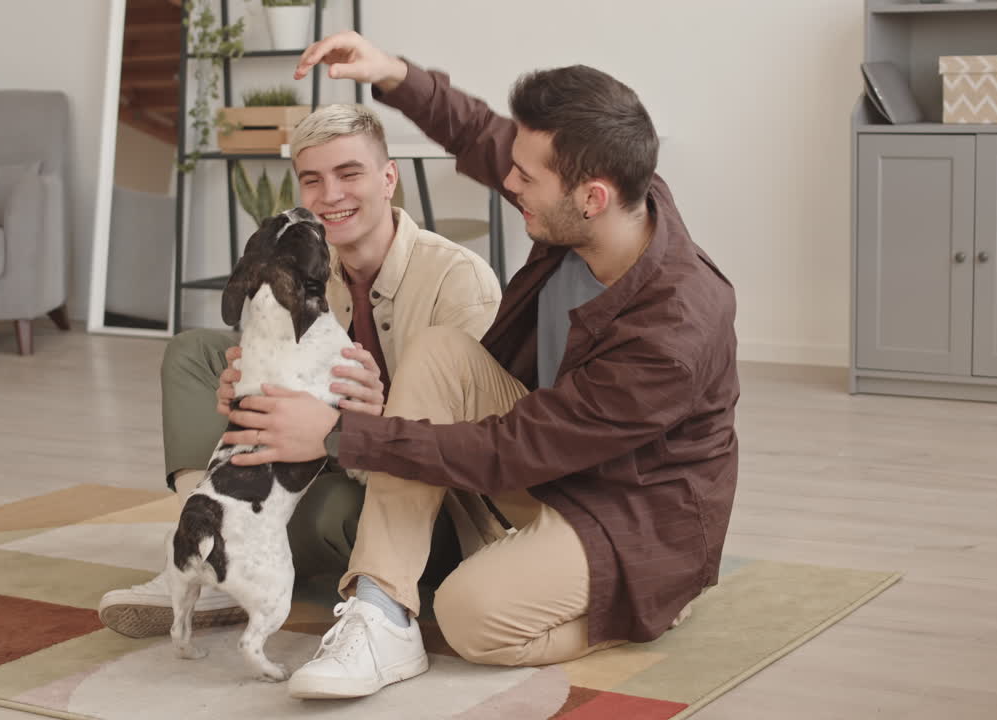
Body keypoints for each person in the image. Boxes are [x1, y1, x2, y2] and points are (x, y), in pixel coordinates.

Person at [221, 32, 740, 700]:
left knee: (469, 617)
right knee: (441, 349)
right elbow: (479, 132)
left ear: (592, 197)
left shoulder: (674, 329)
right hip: (554, 468)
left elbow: (517, 446)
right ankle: (382, 612)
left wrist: (332, 432)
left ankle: (653, 600)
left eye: (527, 178)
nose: (509, 181)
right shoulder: (602, 193)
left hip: (627, 512)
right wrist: (393, 74)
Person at [97, 103, 502, 639]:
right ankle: (205, 547)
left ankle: (243, 567)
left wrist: (367, 422)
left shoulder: (460, 281)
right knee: (195, 352)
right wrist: (249, 391)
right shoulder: (312, 263)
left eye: (349, 173)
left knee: (330, 513)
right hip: (318, 459)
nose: (329, 195)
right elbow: (289, 380)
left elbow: (479, 450)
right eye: (312, 180)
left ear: (388, 178)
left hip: (420, 498)